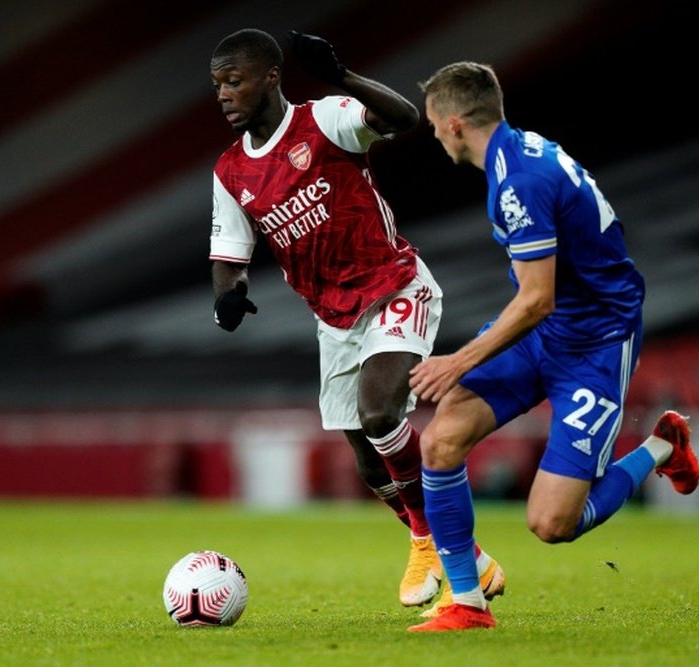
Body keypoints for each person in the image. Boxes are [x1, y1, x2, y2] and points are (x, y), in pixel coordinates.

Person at [207, 30, 505, 611]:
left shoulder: (326, 119)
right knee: (370, 463)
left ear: (270, 77)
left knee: (378, 411)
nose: (222, 94)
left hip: (394, 285)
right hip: (334, 318)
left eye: (234, 80)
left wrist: (339, 73)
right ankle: (461, 552)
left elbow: (402, 118)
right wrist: (230, 296)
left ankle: (428, 539)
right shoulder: (230, 172)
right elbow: (229, 257)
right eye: (217, 84)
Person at [406, 61, 699, 632]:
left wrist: (459, 360)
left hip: (595, 341)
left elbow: (537, 297)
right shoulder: (517, 153)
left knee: (551, 524)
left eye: (433, 124)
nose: (435, 135)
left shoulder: (519, 179)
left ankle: (663, 446)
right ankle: (468, 604)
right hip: (546, 328)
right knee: (441, 441)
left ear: (453, 123)